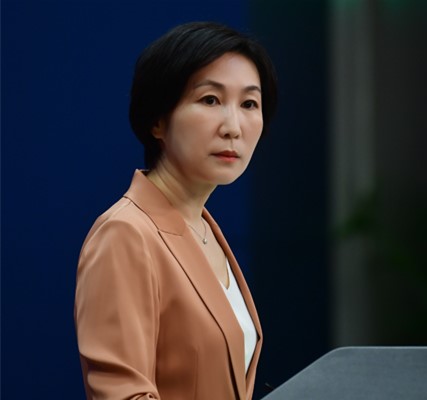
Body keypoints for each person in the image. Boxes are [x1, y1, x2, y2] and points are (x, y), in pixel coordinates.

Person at [74, 22, 277, 400]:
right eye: (210, 100)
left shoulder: (204, 228)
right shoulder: (126, 233)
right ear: (158, 120)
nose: (233, 127)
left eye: (249, 104)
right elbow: (123, 393)